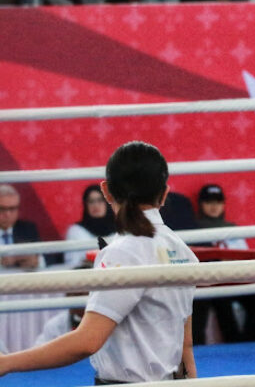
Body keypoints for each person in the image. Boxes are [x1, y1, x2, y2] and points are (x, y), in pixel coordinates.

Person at [0, 141, 199, 383]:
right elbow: (185, 347)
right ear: (165, 194)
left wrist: (6, 363)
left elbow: (87, 341)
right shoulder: (182, 250)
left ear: (106, 191)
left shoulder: (124, 252)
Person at [192, 183, 255, 345]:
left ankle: (250, 345)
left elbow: (244, 257)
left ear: (223, 204)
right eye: (209, 202)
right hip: (210, 281)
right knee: (222, 302)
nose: (213, 207)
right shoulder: (194, 229)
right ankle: (233, 344)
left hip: (235, 277)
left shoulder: (232, 229)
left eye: (217, 202)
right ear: (201, 204)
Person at [34, 262, 94, 346]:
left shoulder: (109, 322)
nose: (71, 297)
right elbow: (38, 354)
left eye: (78, 292)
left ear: (93, 293)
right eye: (69, 292)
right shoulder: (55, 325)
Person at [64, 185, 116, 268]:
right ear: (85, 205)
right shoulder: (76, 231)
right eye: (91, 201)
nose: (95, 205)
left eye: (100, 200)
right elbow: (72, 264)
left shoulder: (120, 229)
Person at [0, 184, 42, 271]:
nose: (7, 214)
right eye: (2, 209)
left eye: (12, 209)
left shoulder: (28, 229)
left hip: (23, 281)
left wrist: (36, 260)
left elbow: (50, 258)